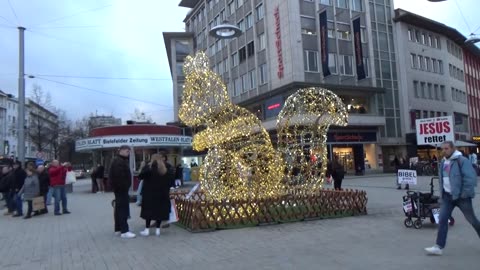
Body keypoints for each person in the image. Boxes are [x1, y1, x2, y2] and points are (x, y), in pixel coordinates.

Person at [425, 141, 480, 256]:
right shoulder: (443, 162)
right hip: (447, 197)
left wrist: (464, 194)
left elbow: (471, 178)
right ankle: (438, 247)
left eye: (446, 148)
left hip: (461, 197)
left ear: (452, 148)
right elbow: (442, 179)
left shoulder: (462, 161)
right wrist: (442, 194)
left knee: (472, 220)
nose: (444, 151)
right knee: (442, 219)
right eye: (442, 149)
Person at [138, 153, 174, 236]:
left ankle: (146, 230)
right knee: (159, 211)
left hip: (149, 194)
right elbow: (171, 181)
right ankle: (158, 229)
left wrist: (142, 167)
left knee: (148, 212)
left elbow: (140, 176)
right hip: (162, 194)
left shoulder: (148, 167)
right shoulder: (165, 168)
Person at [109, 145, 135, 239]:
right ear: (122, 151)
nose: (129, 154)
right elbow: (119, 177)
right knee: (123, 209)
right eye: (127, 151)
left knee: (119, 209)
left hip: (120, 189)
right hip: (121, 189)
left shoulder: (119, 160)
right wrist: (124, 186)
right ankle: (124, 230)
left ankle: (118, 229)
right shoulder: (118, 161)